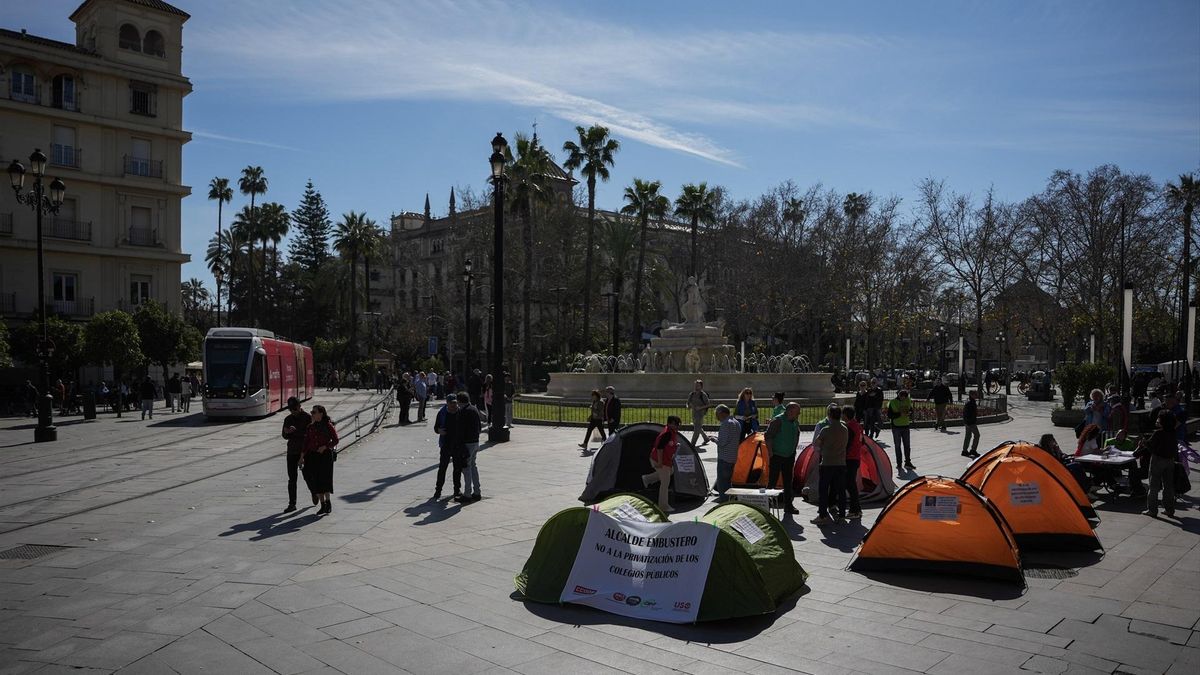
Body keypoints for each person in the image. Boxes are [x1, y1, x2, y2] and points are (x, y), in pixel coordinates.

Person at [811, 405, 848, 525]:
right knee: (841, 490)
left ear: (830, 415)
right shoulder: (844, 429)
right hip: (841, 463)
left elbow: (817, 443)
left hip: (827, 462)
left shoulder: (825, 429)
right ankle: (842, 515)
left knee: (823, 489)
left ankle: (822, 515)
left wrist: (823, 448)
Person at [764, 402, 802, 517]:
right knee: (772, 481)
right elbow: (768, 436)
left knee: (788, 482)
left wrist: (793, 450)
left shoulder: (795, 422)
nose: (799, 414)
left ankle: (788, 506)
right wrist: (770, 452)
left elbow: (797, 434)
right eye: (797, 412)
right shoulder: (778, 421)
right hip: (776, 455)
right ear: (790, 412)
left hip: (789, 456)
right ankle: (766, 505)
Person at [1137, 410, 1178, 518]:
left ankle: (1152, 510)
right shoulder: (1173, 432)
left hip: (1157, 460)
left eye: (1159, 419)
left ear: (1162, 421)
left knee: (1154, 486)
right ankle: (1169, 509)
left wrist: (1144, 443)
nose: (1157, 420)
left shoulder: (1158, 433)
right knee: (1168, 486)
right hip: (1170, 461)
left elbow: (1152, 448)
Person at [300, 404, 338, 515]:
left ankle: (328, 502)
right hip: (313, 456)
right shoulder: (310, 427)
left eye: (314, 412)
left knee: (325, 479)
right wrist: (302, 457)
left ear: (321, 413)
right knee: (316, 480)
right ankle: (322, 505)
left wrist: (325, 446)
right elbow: (306, 444)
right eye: (312, 412)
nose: (312, 414)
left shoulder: (327, 425)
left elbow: (335, 440)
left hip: (325, 455)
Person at [281, 397, 312, 513]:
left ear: (300, 406)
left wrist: (295, 431)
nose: (293, 411)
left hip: (304, 452)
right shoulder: (288, 419)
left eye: (294, 409)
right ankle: (292, 504)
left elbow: (309, 435)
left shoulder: (308, 418)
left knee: (307, 475)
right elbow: (284, 435)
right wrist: (287, 432)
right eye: (290, 409)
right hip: (292, 451)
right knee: (292, 479)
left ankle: (314, 492)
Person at [454, 392, 483, 502]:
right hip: (475, 441)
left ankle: (467, 494)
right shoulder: (474, 409)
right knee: (473, 466)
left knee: (466, 468)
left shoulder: (463, 412)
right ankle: (477, 491)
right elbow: (479, 426)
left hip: (467, 443)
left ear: (460, 401)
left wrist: (459, 444)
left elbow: (460, 430)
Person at [649, 416, 681, 512]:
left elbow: (669, 444)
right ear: (670, 423)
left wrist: (676, 445)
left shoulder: (671, 432)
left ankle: (647, 479)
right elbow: (659, 448)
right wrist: (659, 462)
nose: (677, 426)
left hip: (665, 461)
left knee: (670, 471)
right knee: (665, 483)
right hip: (660, 460)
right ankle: (663, 506)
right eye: (676, 424)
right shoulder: (667, 433)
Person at [432, 395, 461, 500]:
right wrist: (439, 431)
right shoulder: (442, 413)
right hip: (446, 444)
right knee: (442, 468)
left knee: (457, 469)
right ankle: (438, 490)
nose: (454, 405)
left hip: (457, 445)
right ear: (447, 403)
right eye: (452, 403)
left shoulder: (460, 412)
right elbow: (436, 427)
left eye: (455, 403)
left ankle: (457, 490)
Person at [714, 404, 741, 501]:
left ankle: (724, 500)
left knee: (722, 482)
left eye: (716, 414)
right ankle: (731, 498)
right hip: (733, 456)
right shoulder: (736, 422)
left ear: (721, 413)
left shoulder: (726, 423)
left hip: (724, 457)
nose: (716, 416)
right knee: (728, 480)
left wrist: (714, 440)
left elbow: (722, 443)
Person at [842, 406, 864, 519]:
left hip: (849, 458)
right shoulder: (858, 426)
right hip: (856, 458)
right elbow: (862, 441)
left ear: (845, 415)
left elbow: (847, 444)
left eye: (842, 414)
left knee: (850, 484)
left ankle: (855, 510)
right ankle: (857, 509)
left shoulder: (849, 427)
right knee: (851, 484)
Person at [887, 389, 914, 471]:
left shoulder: (907, 400)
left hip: (906, 425)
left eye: (905, 397)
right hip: (896, 427)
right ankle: (899, 464)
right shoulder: (893, 402)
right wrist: (899, 414)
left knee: (907, 446)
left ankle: (908, 462)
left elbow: (911, 410)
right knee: (897, 446)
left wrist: (910, 413)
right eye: (902, 397)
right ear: (899, 395)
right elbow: (889, 415)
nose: (903, 399)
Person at [686, 380, 712, 446]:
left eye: (698, 385)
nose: (696, 386)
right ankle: (706, 438)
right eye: (695, 385)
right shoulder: (691, 394)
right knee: (698, 427)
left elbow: (708, 404)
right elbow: (687, 403)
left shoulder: (703, 395)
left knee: (696, 430)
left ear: (701, 386)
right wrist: (688, 406)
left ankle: (692, 444)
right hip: (694, 413)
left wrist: (700, 408)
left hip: (700, 414)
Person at [962, 390, 981, 458]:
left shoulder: (971, 402)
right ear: (972, 395)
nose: (976, 395)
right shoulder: (970, 403)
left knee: (968, 436)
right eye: (975, 394)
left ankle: (964, 451)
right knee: (977, 435)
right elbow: (965, 413)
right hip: (970, 423)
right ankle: (973, 450)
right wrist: (968, 422)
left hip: (968, 422)